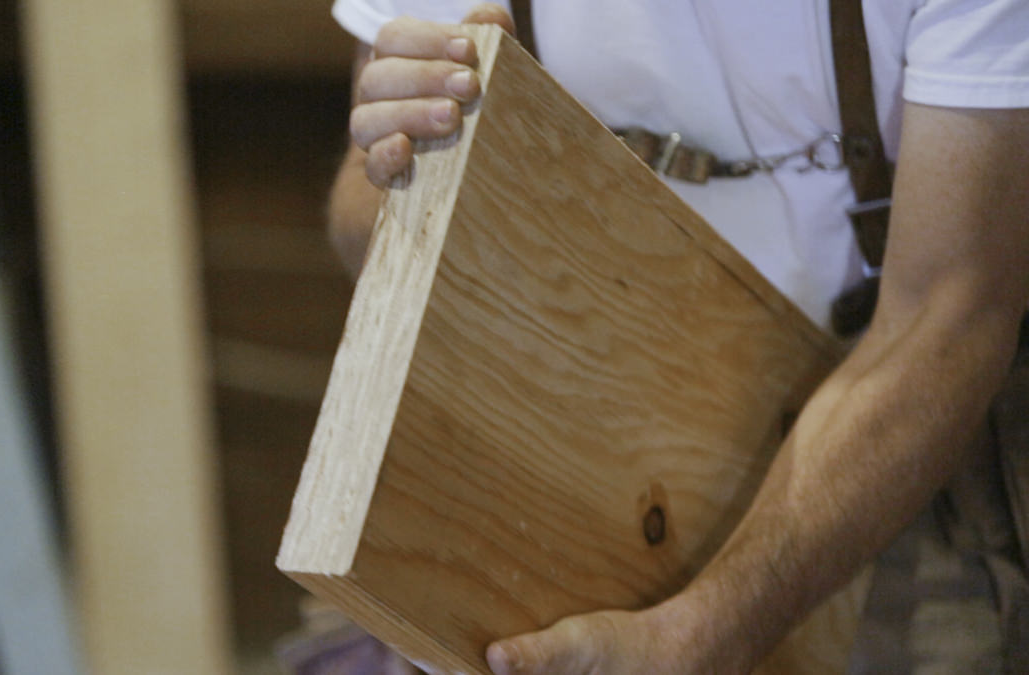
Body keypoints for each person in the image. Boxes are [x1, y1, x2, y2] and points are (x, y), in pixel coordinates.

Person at [324, 1, 1029, 672]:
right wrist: (421, 178)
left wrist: (708, 632)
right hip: (585, 416)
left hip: (890, 438)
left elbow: (950, 313)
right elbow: (356, 212)